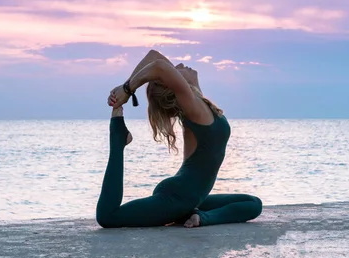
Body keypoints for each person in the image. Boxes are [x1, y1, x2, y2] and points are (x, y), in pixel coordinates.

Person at [95, 49, 262, 228]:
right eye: (175, 70)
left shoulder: (197, 101)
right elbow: (160, 67)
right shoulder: (193, 108)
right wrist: (127, 89)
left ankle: (196, 215)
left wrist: (125, 88)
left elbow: (153, 56)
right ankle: (118, 137)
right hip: (178, 197)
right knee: (108, 216)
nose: (180, 65)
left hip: (190, 198)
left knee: (253, 203)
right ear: (174, 86)